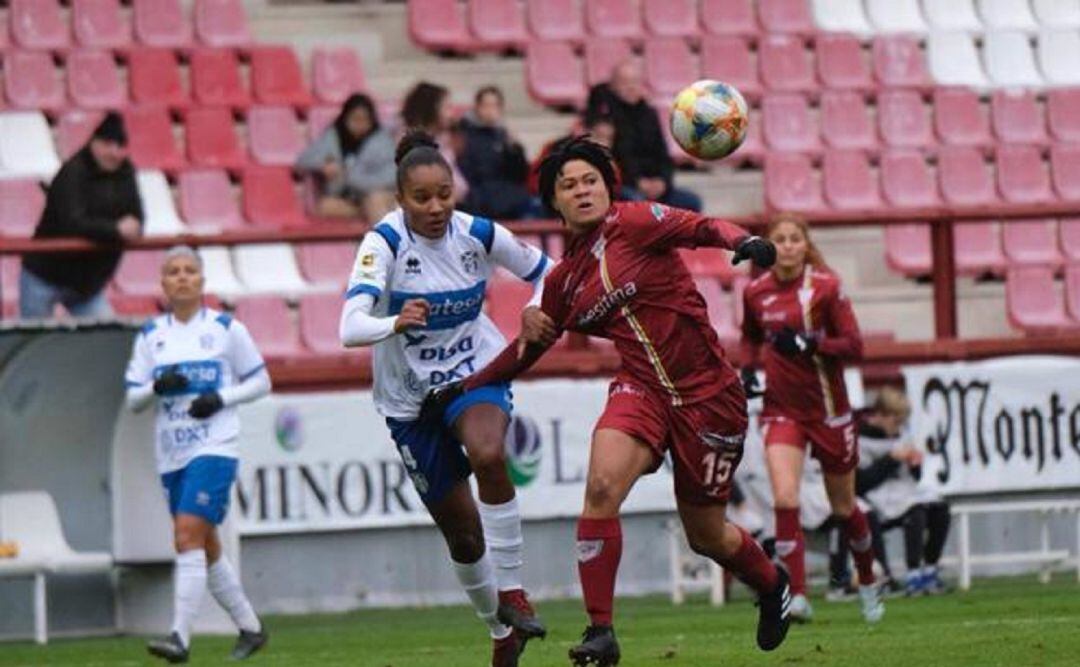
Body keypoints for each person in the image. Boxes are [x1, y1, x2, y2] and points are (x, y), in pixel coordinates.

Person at [422, 137, 791, 667]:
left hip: (709, 395)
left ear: (606, 185)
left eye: (589, 180)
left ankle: (771, 581)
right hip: (641, 389)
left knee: (706, 535)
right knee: (600, 488)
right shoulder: (564, 283)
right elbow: (525, 351)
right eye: (567, 185)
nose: (581, 190)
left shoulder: (637, 222)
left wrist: (746, 240)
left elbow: (702, 227)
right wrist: (463, 387)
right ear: (554, 201)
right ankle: (601, 632)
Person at [339, 131, 552, 667]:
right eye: (421, 198)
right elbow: (349, 326)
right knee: (462, 535)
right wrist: (394, 320)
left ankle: (514, 591)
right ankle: (500, 631)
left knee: (487, 453)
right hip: (409, 401)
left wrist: (535, 306)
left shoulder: (478, 234)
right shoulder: (383, 244)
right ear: (400, 198)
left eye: (444, 195)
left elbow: (546, 271)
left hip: (472, 372)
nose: (435, 207)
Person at [124, 246, 272, 663]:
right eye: (174, 271)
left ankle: (179, 637)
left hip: (214, 446)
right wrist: (157, 387)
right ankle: (251, 628)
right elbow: (133, 400)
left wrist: (219, 397)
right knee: (204, 547)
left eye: (191, 270)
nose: (183, 277)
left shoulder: (227, 329)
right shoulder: (151, 336)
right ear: (164, 283)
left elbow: (261, 381)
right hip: (171, 452)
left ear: (203, 281)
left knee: (186, 534)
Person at [740, 213, 885, 624]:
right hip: (781, 409)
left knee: (844, 507)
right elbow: (750, 337)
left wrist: (812, 342)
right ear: (770, 246)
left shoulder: (826, 288)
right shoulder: (755, 292)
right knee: (786, 499)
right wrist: (749, 369)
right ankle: (798, 595)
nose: (786, 246)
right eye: (779, 239)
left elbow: (854, 346)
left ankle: (869, 580)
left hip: (829, 411)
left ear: (805, 245)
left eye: (793, 239)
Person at [21, 111, 143, 319]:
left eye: (119, 146)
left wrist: (134, 226)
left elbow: (136, 215)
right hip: (44, 276)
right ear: (94, 143)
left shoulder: (126, 173)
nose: (113, 152)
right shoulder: (72, 173)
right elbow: (72, 223)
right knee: (32, 343)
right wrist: (116, 230)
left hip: (87, 286)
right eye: (107, 144)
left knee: (104, 337)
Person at [853, 388, 951, 596]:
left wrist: (915, 465)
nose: (898, 427)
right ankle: (913, 572)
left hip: (902, 494)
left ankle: (930, 568)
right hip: (875, 499)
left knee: (940, 509)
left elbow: (913, 478)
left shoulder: (901, 436)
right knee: (915, 512)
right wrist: (891, 460)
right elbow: (860, 484)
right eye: (895, 421)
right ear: (879, 415)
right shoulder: (859, 440)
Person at [584, 60, 702, 212]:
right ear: (612, 86)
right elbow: (616, 159)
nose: (631, 87)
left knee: (691, 202)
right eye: (624, 82)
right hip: (625, 187)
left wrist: (663, 182)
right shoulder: (604, 116)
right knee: (638, 204)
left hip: (656, 184)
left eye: (635, 82)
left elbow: (663, 154)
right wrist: (638, 182)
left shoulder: (649, 114)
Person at [296, 93, 397, 221]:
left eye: (364, 120)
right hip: (347, 199)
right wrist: (322, 165)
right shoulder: (333, 136)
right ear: (345, 118)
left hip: (374, 194)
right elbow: (302, 161)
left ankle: (382, 237)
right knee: (324, 206)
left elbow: (392, 176)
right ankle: (363, 213)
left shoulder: (381, 140)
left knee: (375, 201)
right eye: (355, 119)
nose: (360, 125)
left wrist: (352, 179)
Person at [458, 86, 534, 219]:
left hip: (508, 197)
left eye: (495, 105)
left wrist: (514, 148)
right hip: (483, 201)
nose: (490, 110)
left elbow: (520, 173)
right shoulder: (464, 136)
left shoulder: (504, 136)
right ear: (477, 107)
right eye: (486, 105)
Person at [400, 81, 468, 204]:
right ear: (431, 109)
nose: (451, 114)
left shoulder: (445, 138)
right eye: (446, 107)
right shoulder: (407, 142)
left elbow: (459, 186)